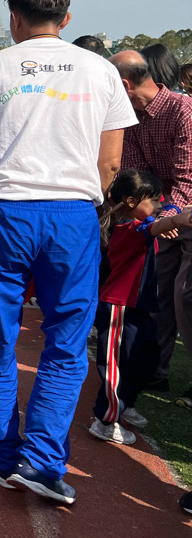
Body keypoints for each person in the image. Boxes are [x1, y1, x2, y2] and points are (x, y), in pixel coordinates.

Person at [0, 0, 137, 505]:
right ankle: (44, 460)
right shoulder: (101, 71)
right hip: (72, 215)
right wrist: (79, 198)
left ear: (14, 17)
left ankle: (1, 449)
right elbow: (111, 162)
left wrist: (4, 179)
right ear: (67, 18)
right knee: (66, 340)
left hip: (4, 213)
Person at [110, 50, 192, 402]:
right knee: (156, 291)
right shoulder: (130, 117)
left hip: (186, 210)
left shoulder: (182, 110)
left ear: (125, 84)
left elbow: (187, 176)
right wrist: (149, 215)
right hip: (161, 213)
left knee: (186, 295)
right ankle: (154, 370)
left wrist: (166, 214)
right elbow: (136, 174)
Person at [90, 170, 192, 445]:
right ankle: (105, 420)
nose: (159, 204)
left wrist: (165, 220)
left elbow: (153, 225)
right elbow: (152, 228)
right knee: (115, 365)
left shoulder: (141, 223)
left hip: (137, 306)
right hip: (119, 306)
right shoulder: (126, 229)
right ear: (131, 202)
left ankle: (125, 403)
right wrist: (177, 218)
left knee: (146, 358)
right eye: (153, 200)